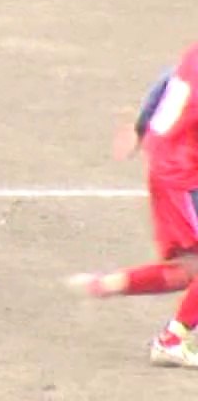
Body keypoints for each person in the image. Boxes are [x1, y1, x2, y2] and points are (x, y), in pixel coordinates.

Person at [70, 54, 198, 367]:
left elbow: (165, 82)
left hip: (168, 164)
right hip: (181, 172)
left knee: (189, 270)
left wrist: (141, 130)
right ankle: (171, 340)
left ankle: (110, 283)